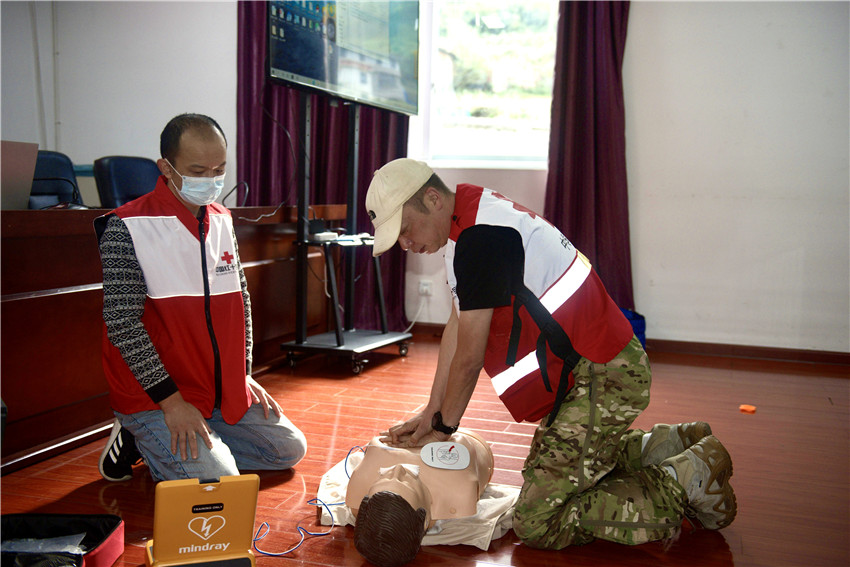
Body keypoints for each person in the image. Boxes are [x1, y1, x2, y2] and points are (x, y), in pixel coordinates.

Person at [364, 158, 736, 548]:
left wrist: (443, 429)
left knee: (537, 520)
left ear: (432, 198)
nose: (405, 245)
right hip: (589, 368)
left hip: (603, 372)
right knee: (546, 471)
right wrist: (432, 412)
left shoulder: (478, 239)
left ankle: (684, 479)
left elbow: (470, 357)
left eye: (405, 230)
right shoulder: (470, 216)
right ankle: (670, 446)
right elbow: (457, 327)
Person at [94, 113, 307, 482]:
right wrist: (172, 403)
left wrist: (241, 374)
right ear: (166, 167)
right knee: (217, 480)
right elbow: (122, 325)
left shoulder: (222, 218)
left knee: (287, 449)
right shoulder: (125, 226)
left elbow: (241, 299)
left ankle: (192, 444)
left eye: (219, 169)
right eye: (197, 171)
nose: (211, 180)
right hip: (156, 395)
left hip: (213, 389)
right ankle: (140, 433)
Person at [345, 429, 494, 567]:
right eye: (405, 481)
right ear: (424, 520)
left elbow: (378, 442)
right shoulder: (459, 491)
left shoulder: (361, 484)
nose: (398, 469)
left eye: (384, 477)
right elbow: (461, 443)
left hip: (422, 430)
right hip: (471, 440)